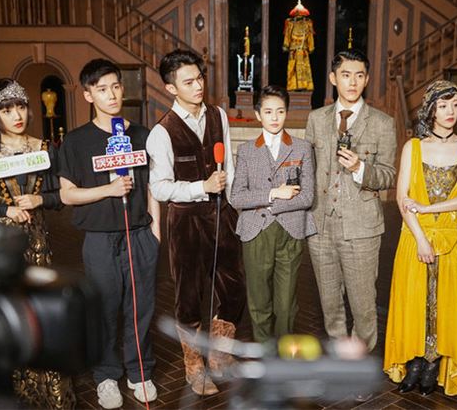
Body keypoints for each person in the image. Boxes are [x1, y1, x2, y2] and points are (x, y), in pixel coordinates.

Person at [0, 78, 75, 409]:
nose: (17, 115)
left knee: (43, 318)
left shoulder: (45, 149)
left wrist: (40, 200)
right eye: (7, 110)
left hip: (39, 248)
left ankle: (52, 396)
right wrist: (4, 209)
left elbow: (62, 196)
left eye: (21, 107)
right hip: (1, 253)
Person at [58, 59, 160, 409]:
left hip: (140, 234)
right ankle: (105, 375)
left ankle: (140, 371)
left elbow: (152, 187)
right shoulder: (76, 141)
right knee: (103, 308)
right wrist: (108, 190)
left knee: (141, 307)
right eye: (102, 89)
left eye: (116, 86)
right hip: (100, 238)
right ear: (88, 95)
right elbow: (67, 195)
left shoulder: (142, 136)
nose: (112, 94)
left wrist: (156, 231)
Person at [146, 49, 245, 396]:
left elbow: (229, 166)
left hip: (222, 214)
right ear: (171, 88)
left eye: (199, 78)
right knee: (189, 296)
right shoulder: (161, 132)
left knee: (233, 289)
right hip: (185, 220)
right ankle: (194, 367)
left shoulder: (218, 116)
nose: (198, 86)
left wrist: (233, 204)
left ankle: (219, 356)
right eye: (188, 82)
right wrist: (200, 187)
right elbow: (159, 187)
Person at [383, 80, 457, 397]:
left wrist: (430, 208)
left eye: (455, 104)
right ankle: (414, 362)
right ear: (431, 110)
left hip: (452, 240)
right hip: (415, 236)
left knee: (444, 304)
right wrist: (421, 239)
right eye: (443, 105)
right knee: (413, 301)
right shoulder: (413, 147)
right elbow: (403, 199)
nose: (450, 111)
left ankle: (432, 364)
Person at [305, 49, 396, 360]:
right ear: (333, 78)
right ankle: (339, 358)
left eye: (359, 75)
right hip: (320, 226)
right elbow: (308, 168)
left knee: (363, 304)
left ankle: (358, 360)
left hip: (362, 228)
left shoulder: (382, 123)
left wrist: (360, 168)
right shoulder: (316, 119)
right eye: (346, 75)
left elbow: (388, 175)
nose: (352, 82)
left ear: (367, 79)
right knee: (330, 303)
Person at [230, 85, 316, 343]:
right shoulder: (247, 150)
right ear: (258, 115)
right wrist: (273, 194)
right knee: (259, 302)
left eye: (280, 111)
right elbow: (237, 197)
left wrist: (273, 207)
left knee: (286, 304)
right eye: (268, 112)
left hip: (290, 231)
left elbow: (307, 197)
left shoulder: (302, 148)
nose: (275, 117)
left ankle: (283, 356)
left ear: (286, 112)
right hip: (256, 232)